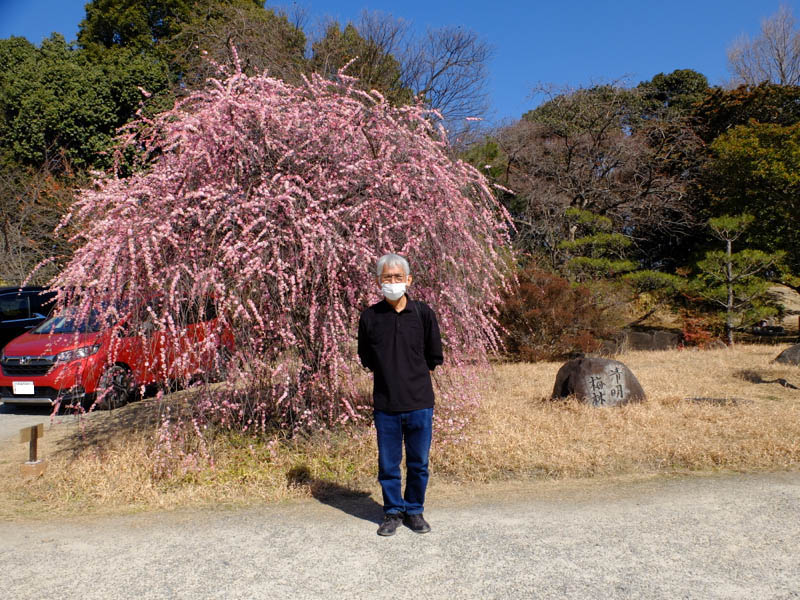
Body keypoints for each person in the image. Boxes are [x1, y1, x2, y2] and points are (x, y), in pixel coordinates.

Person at [357, 253, 443, 536]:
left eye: (397, 277)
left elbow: (434, 356)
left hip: (419, 403)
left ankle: (415, 511)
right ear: (378, 281)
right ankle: (392, 512)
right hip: (386, 405)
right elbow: (366, 357)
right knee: (388, 465)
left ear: (408, 280)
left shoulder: (423, 313)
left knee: (419, 464)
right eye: (386, 277)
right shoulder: (370, 317)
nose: (392, 282)